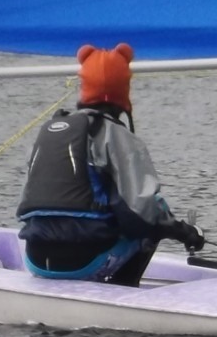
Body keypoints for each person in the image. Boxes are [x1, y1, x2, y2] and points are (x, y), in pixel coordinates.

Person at [17, 42, 205, 286]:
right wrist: (187, 233)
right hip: (84, 263)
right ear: (123, 90)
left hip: (35, 259)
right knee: (152, 217)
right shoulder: (118, 136)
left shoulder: (52, 130)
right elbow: (144, 215)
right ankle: (123, 292)